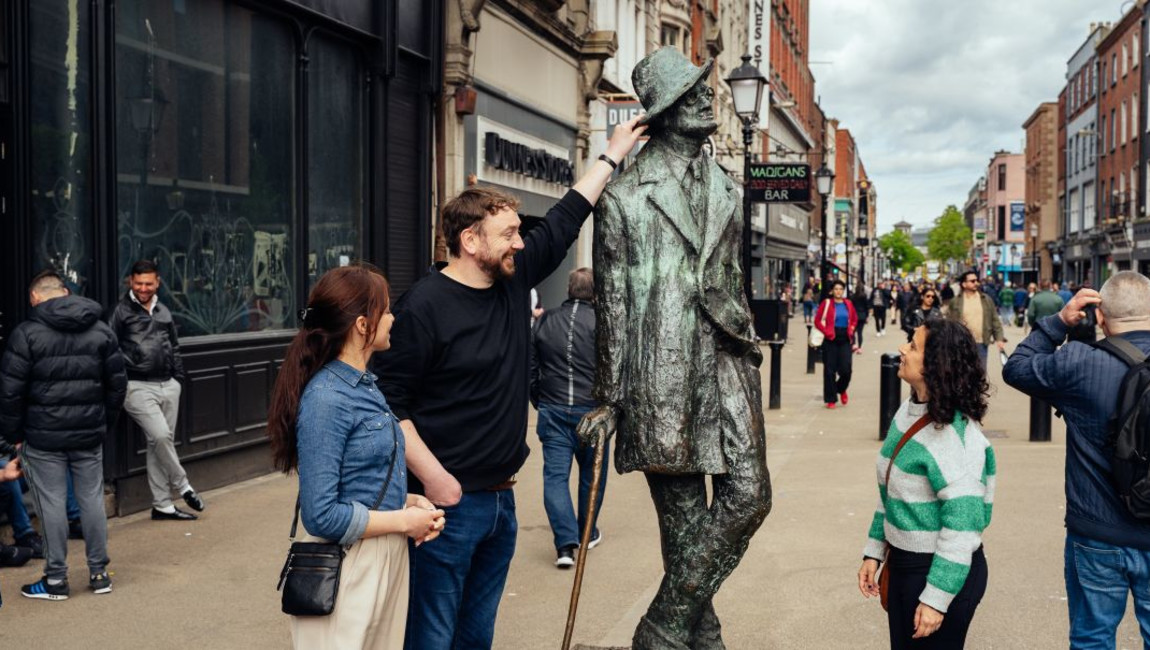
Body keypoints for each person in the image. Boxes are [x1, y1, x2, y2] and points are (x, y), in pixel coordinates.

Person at [373, 114, 646, 650]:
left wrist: (612, 155)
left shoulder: (509, 281)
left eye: (519, 233)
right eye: (509, 234)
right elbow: (388, 404)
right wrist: (437, 482)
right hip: (446, 508)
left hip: (501, 502)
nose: (520, 244)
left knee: (477, 636)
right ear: (470, 240)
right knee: (431, 637)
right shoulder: (423, 307)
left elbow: (567, 217)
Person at [574, 48, 771, 648]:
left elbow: (731, 280)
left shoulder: (728, 188)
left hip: (727, 358)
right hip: (661, 369)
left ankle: (660, 628)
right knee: (685, 524)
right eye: (694, 92)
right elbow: (614, 302)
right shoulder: (625, 198)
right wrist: (610, 396)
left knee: (751, 494)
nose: (709, 96)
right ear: (666, 110)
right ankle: (700, 636)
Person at [267, 265, 445, 648]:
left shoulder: (365, 387)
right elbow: (321, 514)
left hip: (381, 552)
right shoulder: (328, 398)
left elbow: (362, 476)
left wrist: (411, 503)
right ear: (363, 325)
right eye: (387, 309)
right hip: (349, 564)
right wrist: (403, 519)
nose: (394, 317)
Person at [1002, 271, 1150, 648]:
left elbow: (1017, 367)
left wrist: (1057, 323)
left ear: (1099, 317)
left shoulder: (1078, 363)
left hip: (1097, 531)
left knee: (1092, 640)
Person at [858, 318, 995, 649]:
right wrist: (874, 551)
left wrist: (936, 598)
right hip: (905, 563)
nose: (902, 349)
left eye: (913, 346)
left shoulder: (956, 439)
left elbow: (962, 530)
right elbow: (891, 493)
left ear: (937, 365)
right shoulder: (911, 410)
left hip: (940, 569)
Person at [0, 270, 127, 600]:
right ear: (66, 293)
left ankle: (55, 580)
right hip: (88, 432)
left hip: (42, 437)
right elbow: (117, 385)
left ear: (34, 298)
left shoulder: (26, 333)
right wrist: (103, 424)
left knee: (52, 502)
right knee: (91, 499)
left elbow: (10, 393)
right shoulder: (100, 329)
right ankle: (99, 573)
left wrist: (14, 436)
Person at [109, 260, 204, 521]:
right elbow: (109, 348)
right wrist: (126, 374)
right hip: (137, 386)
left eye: (148, 283)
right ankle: (183, 485)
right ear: (130, 282)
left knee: (158, 445)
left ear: (157, 282)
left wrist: (178, 379)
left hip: (168, 384)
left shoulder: (163, 311)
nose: (143, 288)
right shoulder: (121, 312)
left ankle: (162, 505)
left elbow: (174, 346)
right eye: (138, 283)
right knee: (161, 436)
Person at [529, 268, 606, 569]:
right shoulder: (603, 323)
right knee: (592, 478)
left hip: (554, 408)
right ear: (595, 292)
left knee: (555, 478)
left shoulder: (545, 320)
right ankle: (587, 532)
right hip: (592, 411)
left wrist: (540, 400)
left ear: (569, 289)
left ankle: (565, 545)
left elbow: (531, 368)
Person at [945, 270, 1006, 364]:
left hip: (981, 342)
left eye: (977, 280)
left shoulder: (986, 299)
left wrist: (999, 338)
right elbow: (949, 322)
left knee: (981, 373)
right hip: (962, 343)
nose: (976, 283)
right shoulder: (955, 301)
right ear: (964, 284)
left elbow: (994, 319)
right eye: (972, 281)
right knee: (963, 374)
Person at [815, 280, 859, 409]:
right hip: (831, 339)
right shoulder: (827, 303)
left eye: (841, 289)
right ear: (832, 291)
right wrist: (827, 332)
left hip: (845, 338)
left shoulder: (848, 304)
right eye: (836, 289)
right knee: (829, 370)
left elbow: (855, 320)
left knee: (846, 370)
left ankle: (841, 389)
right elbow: (817, 321)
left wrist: (851, 328)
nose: (838, 291)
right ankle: (831, 399)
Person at [851, 283, 870, 353]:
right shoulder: (864, 296)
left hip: (854, 315)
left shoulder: (853, 296)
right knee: (860, 332)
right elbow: (866, 306)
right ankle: (859, 347)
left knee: (853, 331)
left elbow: (851, 307)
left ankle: (853, 344)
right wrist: (867, 316)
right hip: (862, 315)